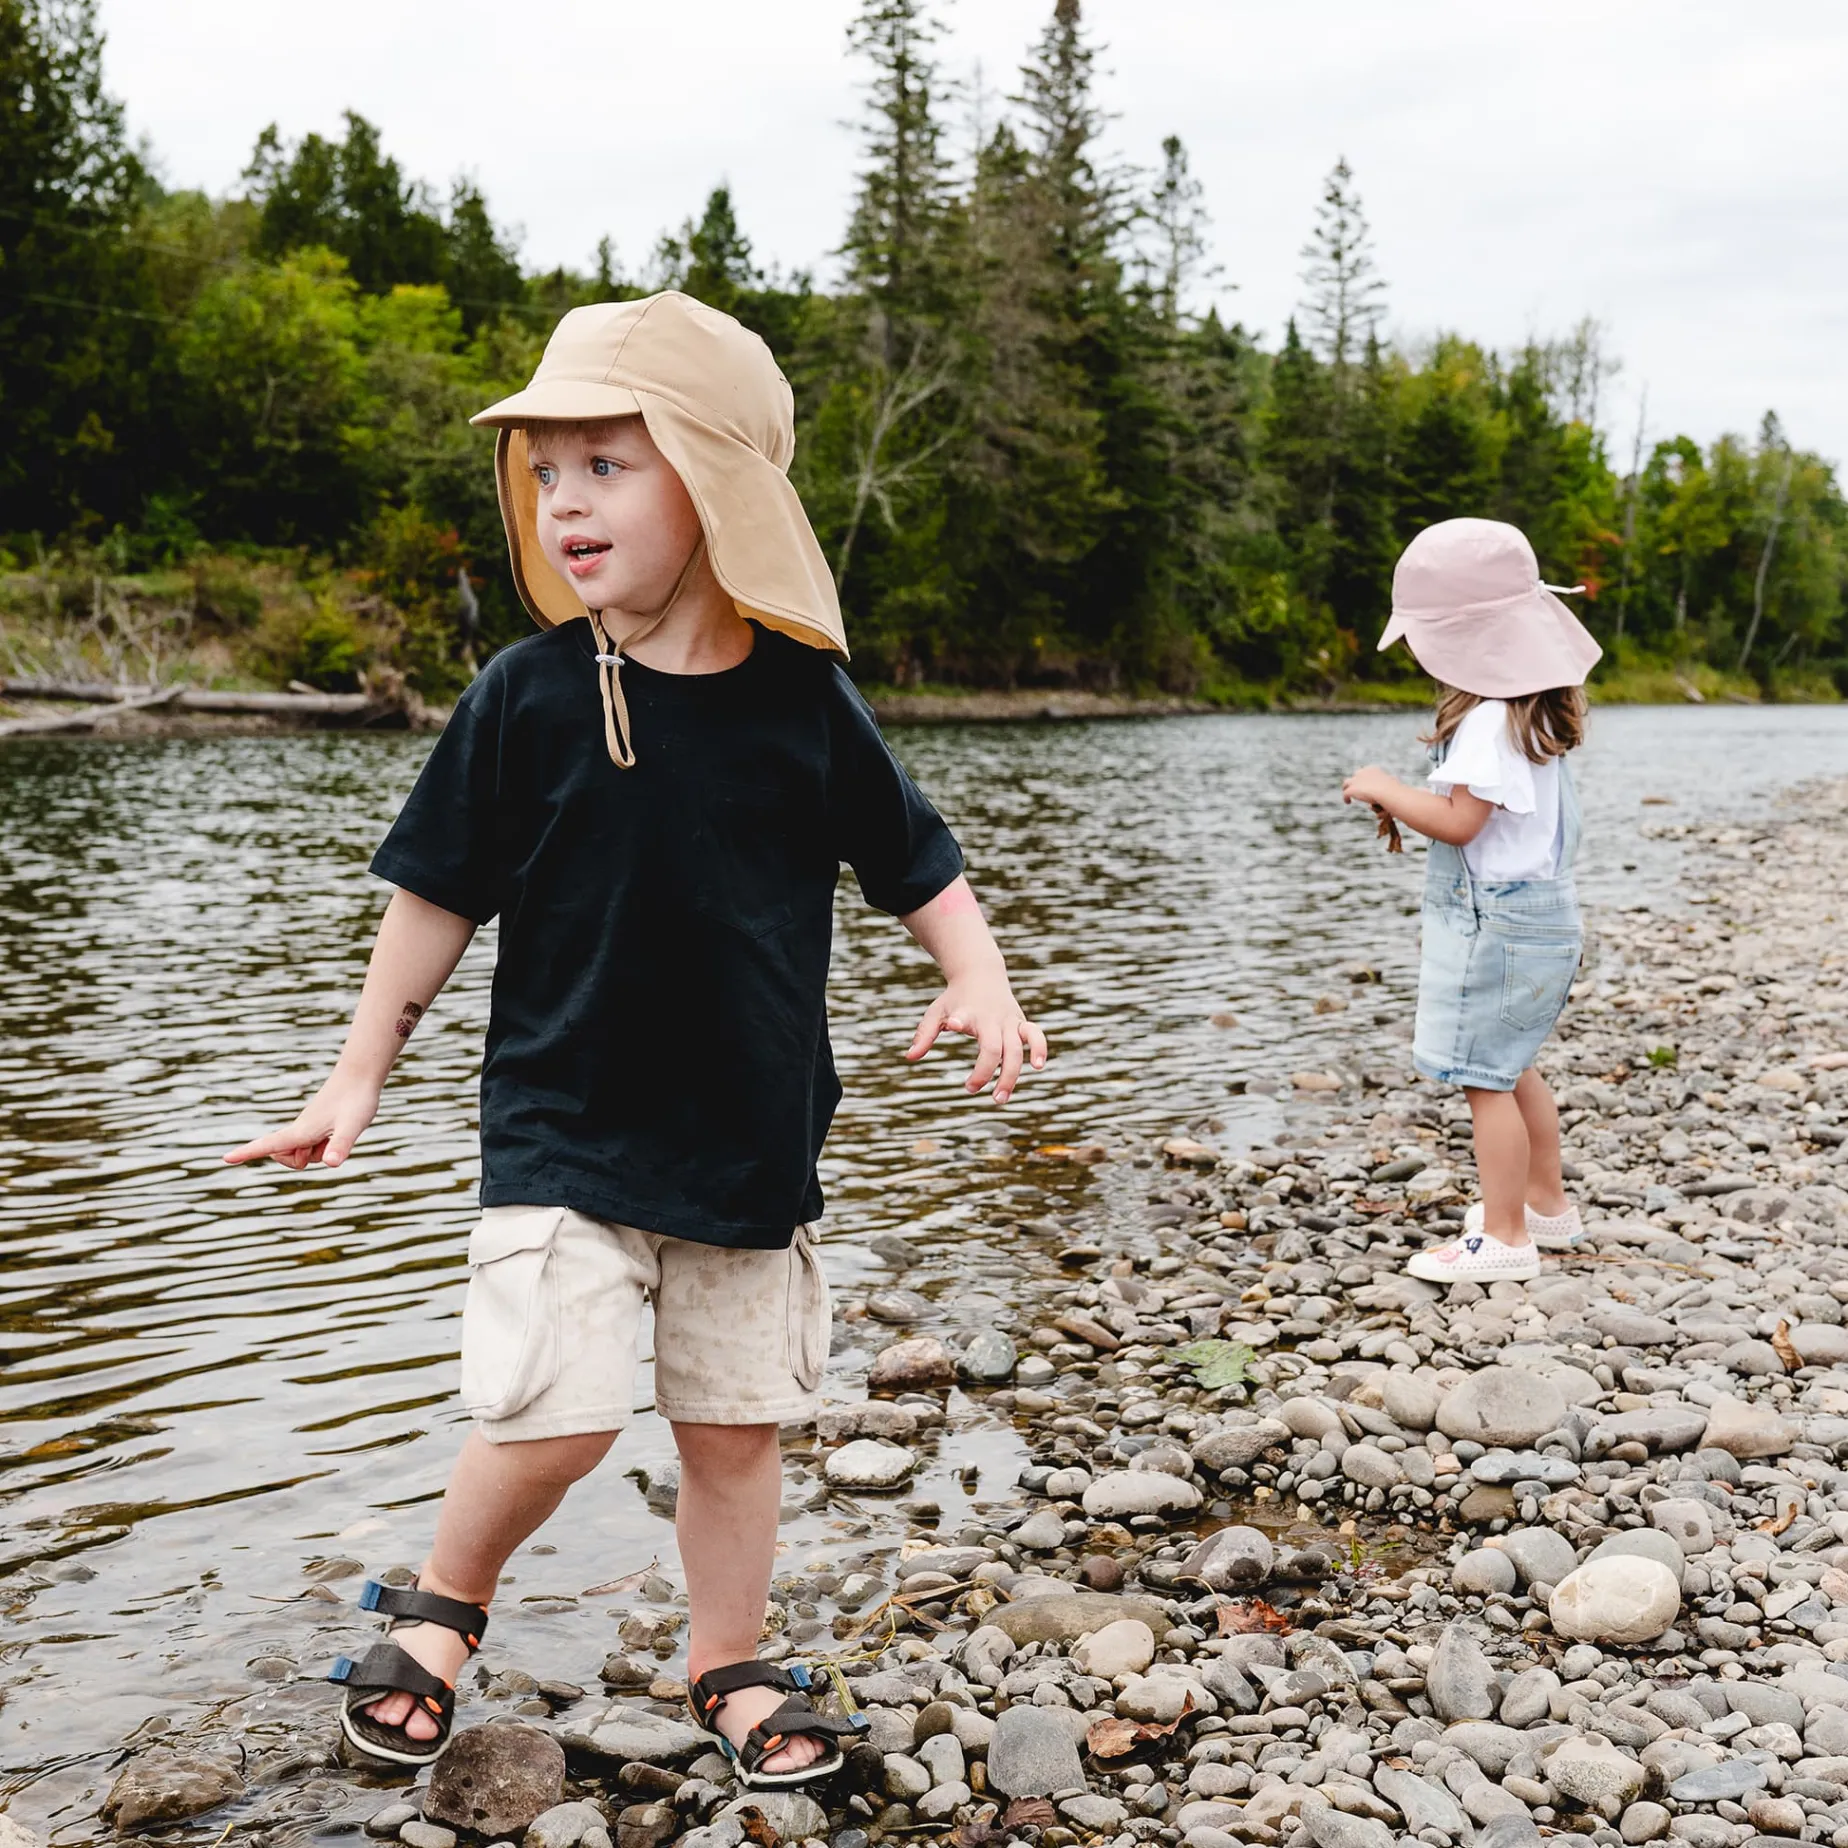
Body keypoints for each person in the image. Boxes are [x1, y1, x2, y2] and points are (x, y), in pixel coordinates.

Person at [224, 292, 1046, 1784]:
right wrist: (355, 1076)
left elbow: (916, 861)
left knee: (736, 1430)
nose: (564, 503)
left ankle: (727, 1660)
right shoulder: (527, 694)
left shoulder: (805, 700)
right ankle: (445, 1606)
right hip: (565, 1131)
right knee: (554, 1413)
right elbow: (432, 897)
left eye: (607, 465)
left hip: (749, 1141)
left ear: (716, 484)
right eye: (546, 473)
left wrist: (980, 978)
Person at [1341, 517, 1601, 1285]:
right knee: (1514, 1065)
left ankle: (1506, 1236)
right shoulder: (1531, 714)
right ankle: (1546, 1205)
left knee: (1485, 1079)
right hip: (1544, 919)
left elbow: (1460, 823)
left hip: (1501, 926)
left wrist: (1386, 787)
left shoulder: (1488, 722)